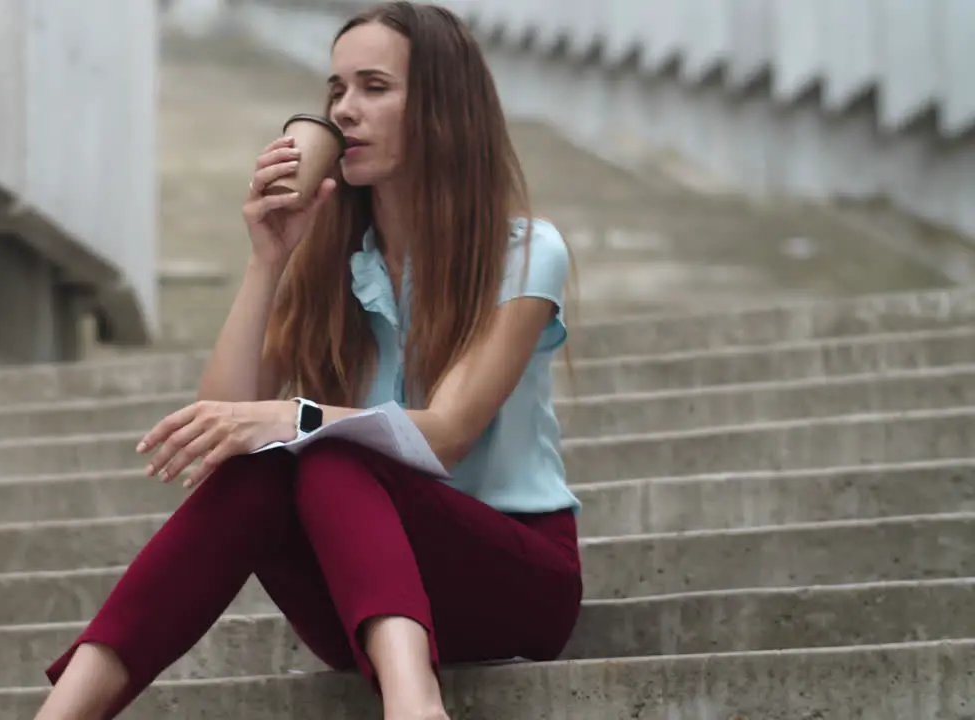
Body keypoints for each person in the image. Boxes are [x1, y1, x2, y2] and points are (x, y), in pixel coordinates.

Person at [33, 2, 582, 718]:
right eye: (336, 90)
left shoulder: (525, 253)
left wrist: (295, 415)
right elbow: (221, 426)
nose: (344, 112)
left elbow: (445, 435)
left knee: (327, 449)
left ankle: (416, 707)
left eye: (374, 88)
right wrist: (268, 260)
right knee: (265, 463)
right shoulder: (328, 265)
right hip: (361, 600)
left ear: (443, 108)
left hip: (512, 580)